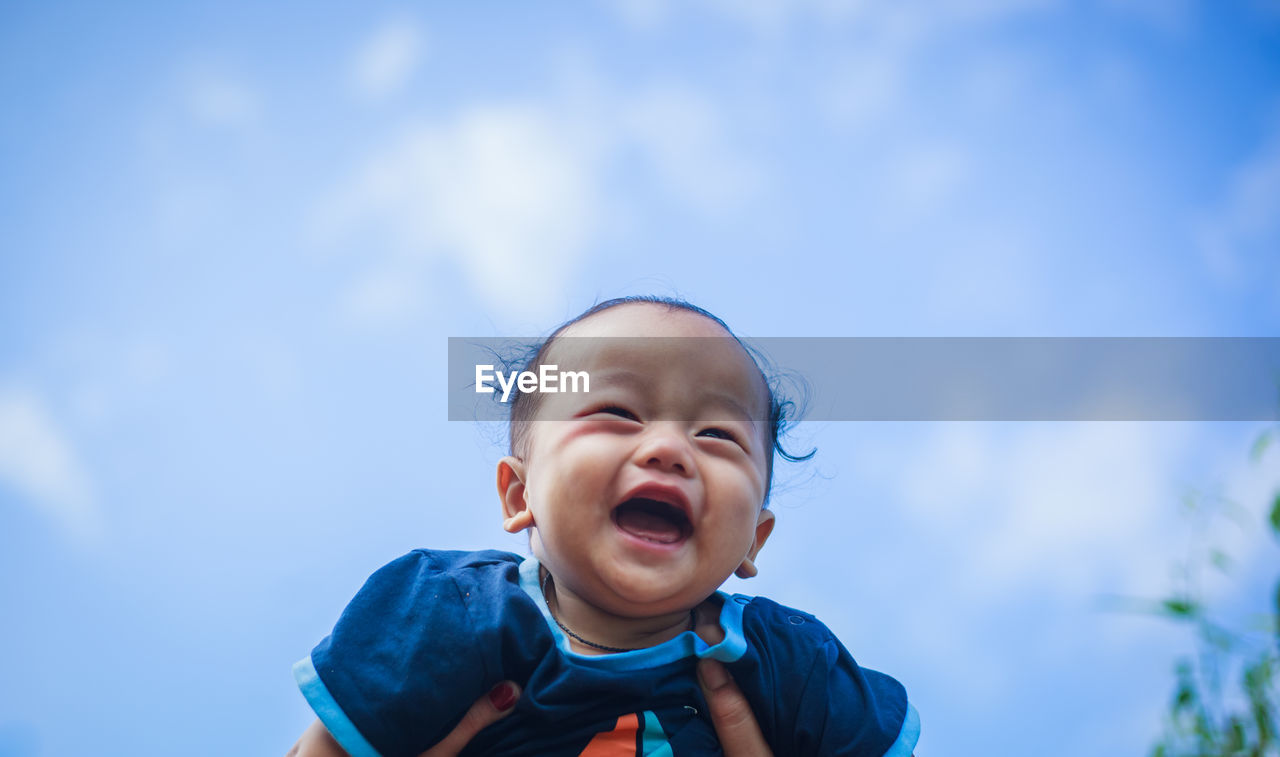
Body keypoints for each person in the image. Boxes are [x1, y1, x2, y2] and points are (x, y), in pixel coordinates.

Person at [290, 297, 920, 756]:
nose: (670, 448)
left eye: (717, 434)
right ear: (519, 493)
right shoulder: (449, 611)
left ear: (753, 539)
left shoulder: (788, 665)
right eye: (617, 411)